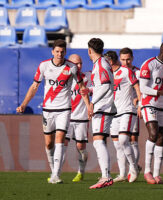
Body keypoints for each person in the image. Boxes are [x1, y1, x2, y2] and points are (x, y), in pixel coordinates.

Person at [16, 39, 91, 184]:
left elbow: (82, 88)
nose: (59, 54)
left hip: (64, 109)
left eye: (62, 52)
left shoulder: (71, 67)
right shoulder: (44, 66)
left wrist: (88, 105)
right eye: (57, 51)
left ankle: (56, 174)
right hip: (48, 109)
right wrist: (24, 104)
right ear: (52, 52)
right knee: (49, 143)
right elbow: (34, 87)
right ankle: (53, 170)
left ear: (65, 52)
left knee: (60, 139)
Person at [140, 41, 163, 184]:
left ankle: (156, 174)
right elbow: (143, 88)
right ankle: (147, 171)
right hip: (148, 102)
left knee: (161, 136)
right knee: (153, 134)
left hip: (162, 104)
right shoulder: (149, 64)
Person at [104, 50, 140, 183]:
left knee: (124, 139)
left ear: (111, 61)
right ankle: (122, 174)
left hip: (127, 110)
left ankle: (134, 168)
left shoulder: (126, 71)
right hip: (114, 113)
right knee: (117, 145)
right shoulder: (106, 75)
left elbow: (137, 87)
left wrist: (140, 104)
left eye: (106, 62)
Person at [87, 38, 116, 189]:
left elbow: (105, 87)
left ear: (89, 50)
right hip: (103, 105)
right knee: (99, 141)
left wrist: (92, 102)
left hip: (103, 106)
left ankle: (106, 176)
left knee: (98, 141)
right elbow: (101, 86)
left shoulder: (101, 64)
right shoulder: (101, 63)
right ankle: (105, 174)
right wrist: (90, 90)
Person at [63, 54, 92, 182]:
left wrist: (92, 105)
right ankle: (55, 172)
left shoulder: (88, 76)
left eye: (80, 63)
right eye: (76, 64)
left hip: (81, 117)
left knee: (80, 146)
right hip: (66, 117)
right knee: (61, 143)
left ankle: (81, 172)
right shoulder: (63, 77)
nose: (79, 66)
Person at [119, 47, 141, 169]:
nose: (125, 63)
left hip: (132, 109)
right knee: (120, 140)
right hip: (119, 110)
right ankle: (126, 170)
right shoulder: (117, 72)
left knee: (133, 138)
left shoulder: (138, 72)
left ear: (132, 58)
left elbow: (142, 89)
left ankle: (133, 168)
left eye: (128, 59)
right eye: (123, 60)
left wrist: (138, 100)